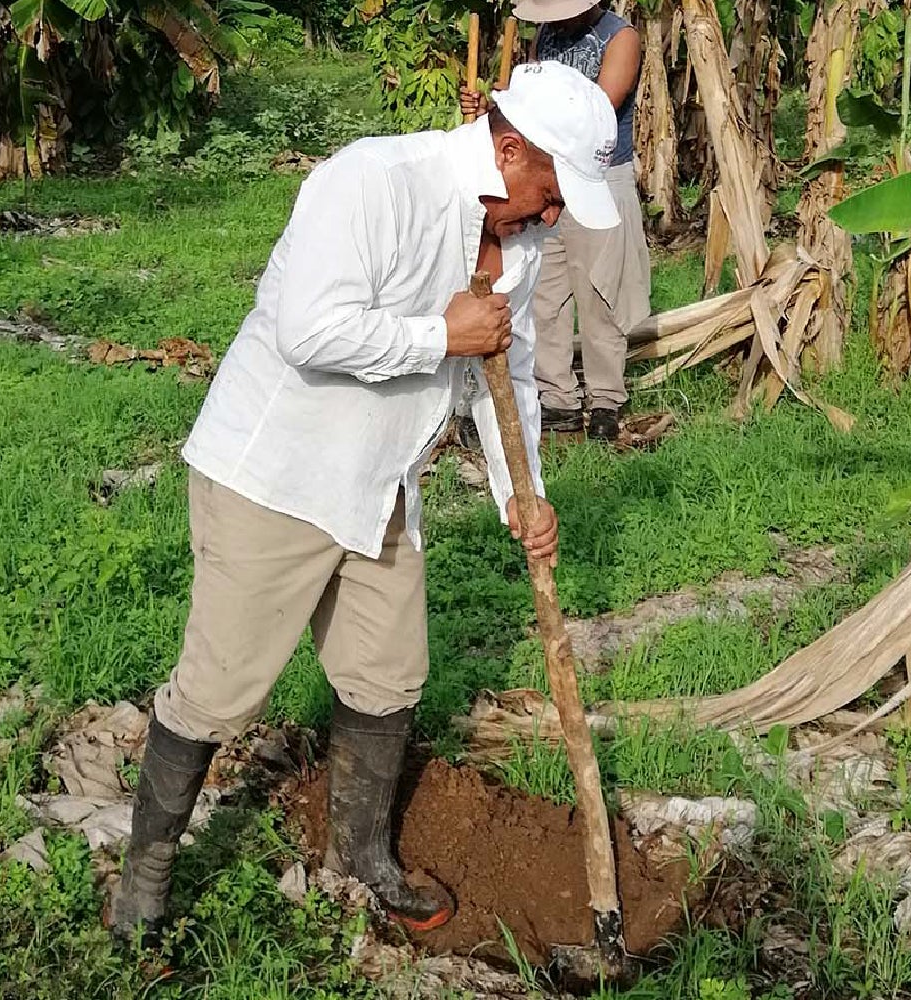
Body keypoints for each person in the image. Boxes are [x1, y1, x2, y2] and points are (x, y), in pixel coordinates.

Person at [107, 60, 621, 941]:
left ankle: (362, 854)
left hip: (380, 484)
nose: (555, 212)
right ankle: (143, 885)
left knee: (387, 674)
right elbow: (308, 328)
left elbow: (510, 373)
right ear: (506, 148)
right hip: (278, 475)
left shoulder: (522, 243)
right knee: (218, 692)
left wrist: (518, 492)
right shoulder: (374, 182)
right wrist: (440, 334)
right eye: (551, 189)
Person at [461, 0, 651, 441]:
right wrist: (495, 107)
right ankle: (556, 395)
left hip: (598, 178)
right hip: (547, 178)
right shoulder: (546, 37)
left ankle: (606, 397)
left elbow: (599, 111)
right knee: (547, 293)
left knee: (600, 289)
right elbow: (530, 109)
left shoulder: (619, 37)